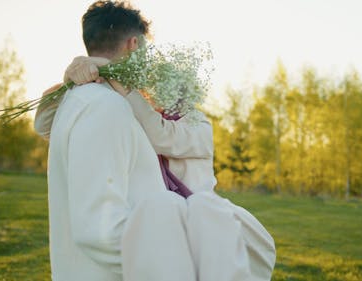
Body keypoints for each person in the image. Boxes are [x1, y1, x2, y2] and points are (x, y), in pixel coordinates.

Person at [37, 47, 276, 281]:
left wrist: (114, 76)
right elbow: (44, 124)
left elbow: (161, 135)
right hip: (165, 225)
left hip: (196, 226)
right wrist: (72, 79)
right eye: (158, 86)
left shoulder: (199, 126)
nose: (161, 93)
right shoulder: (141, 114)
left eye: (171, 86)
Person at [40, 1, 196, 280]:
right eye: (146, 49)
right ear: (134, 44)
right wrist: (173, 266)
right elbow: (99, 230)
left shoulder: (78, 99)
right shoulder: (104, 107)